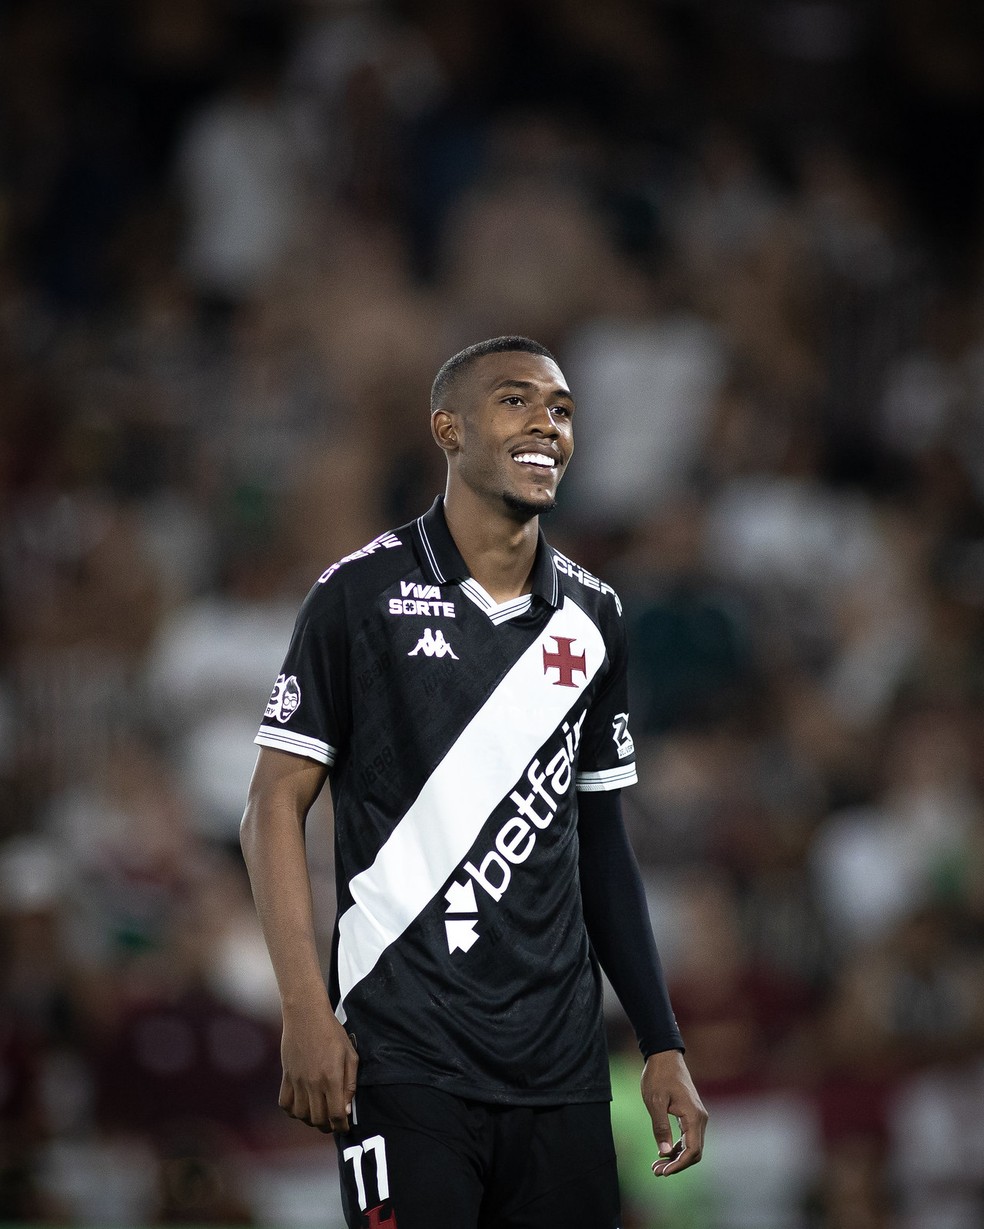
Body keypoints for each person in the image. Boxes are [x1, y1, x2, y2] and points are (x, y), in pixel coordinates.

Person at [240, 336, 707, 1228]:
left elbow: (601, 844)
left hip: (562, 1068)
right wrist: (304, 1006)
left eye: (562, 409)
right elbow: (271, 804)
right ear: (446, 427)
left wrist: (661, 1040)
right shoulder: (359, 596)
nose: (547, 424)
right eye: (516, 401)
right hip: (403, 1055)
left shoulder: (595, 615)